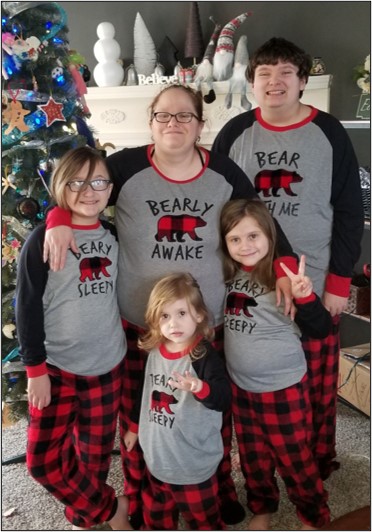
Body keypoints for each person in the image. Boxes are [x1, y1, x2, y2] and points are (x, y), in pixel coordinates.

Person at [43, 83, 297, 526]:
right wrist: (57, 217)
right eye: (164, 115)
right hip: (139, 326)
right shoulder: (123, 166)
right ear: (151, 121)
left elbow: (261, 222)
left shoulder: (223, 170)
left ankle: (215, 492)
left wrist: (284, 269)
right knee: (146, 416)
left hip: (202, 323)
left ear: (201, 125)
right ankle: (143, 496)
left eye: (185, 116)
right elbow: (81, 185)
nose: (173, 124)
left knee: (205, 412)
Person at [212, 37, 364, 480]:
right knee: (258, 380)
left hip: (310, 283)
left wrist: (338, 284)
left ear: (302, 82)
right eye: (264, 73)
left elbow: (351, 210)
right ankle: (260, 461)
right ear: (252, 83)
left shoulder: (329, 131)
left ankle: (315, 461)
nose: (274, 82)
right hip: (247, 288)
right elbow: (217, 205)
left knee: (315, 384)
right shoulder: (234, 133)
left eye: (285, 73)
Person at [15, 147, 131, 531]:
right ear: (60, 187)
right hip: (56, 369)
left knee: (94, 459)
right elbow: (27, 308)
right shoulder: (42, 241)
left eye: (98, 181)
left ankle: (85, 517)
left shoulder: (115, 236)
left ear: (110, 188)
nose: (88, 191)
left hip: (107, 367)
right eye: (76, 182)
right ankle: (111, 509)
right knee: (43, 462)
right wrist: (35, 370)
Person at [220, 198, 332, 531]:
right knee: (254, 458)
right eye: (235, 239)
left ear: (270, 236)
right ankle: (263, 507)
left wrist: (306, 297)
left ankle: (313, 515)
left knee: (295, 459)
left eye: (253, 236)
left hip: (283, 389)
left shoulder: (285, 277)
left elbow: (320, 328)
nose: (245, 245)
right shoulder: (229, 274)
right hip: (242, 388)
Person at [124, 272, 230, 530]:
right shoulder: (154, 352)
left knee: (204, 519)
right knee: (156, 517)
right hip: (158, 460)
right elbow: (145, 393)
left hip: (194, 464)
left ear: (199, 315)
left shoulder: (203, 354)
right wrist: (135, 428)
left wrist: (200, 387)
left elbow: (223, 399)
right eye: (165, 316)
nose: (173, 324)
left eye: (181, 313)